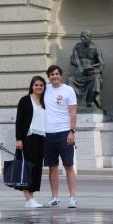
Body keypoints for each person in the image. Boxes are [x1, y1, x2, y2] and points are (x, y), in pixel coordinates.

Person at [43, 65, 78, 208]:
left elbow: (73, 112)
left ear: (61, 75)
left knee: (68, 166)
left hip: (64, 132)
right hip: (48, 133)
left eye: (57, 74)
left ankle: (72, 198)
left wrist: (72, 131)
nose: (55, 76)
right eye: (52, 74)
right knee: (52, 167)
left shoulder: (68, 90)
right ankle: (54, 197)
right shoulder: (45, 89)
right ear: (49, 77)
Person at [15, 75, 46, 208]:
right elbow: (19, 121)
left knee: (36, 169)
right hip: (28, 138)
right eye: (36, 85)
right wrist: (19, 139)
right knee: (27, 168)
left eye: (41, 85)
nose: (39, 87)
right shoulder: (25, 100)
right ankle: (28, 198)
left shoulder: (45, 101)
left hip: (41, 138)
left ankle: (32, 198)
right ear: (32, 86)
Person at [67, 30, 105, 109]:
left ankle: (91, 102)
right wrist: (75, 62)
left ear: (90, 37)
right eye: (81, 36)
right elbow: (72, 60)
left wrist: (94, 71)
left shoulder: (95, 48)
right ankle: (75, 104)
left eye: (84, 37)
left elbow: (102, 64)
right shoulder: (77, 47)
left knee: (96, 80)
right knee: (70, 80)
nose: (82, 38)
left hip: (92, 73)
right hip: (79, 73)